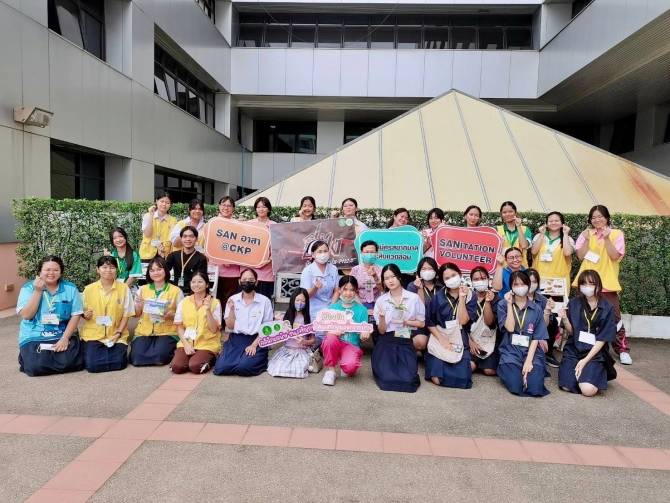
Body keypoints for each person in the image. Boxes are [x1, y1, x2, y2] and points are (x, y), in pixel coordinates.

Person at [574, 205, 631, 365]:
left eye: (600, 216)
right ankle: (584, 347)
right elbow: (580, 256)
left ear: (607, 218)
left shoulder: (616, 233)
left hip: (607, 283)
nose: (597, 220)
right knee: (583, 316)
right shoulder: (586, 234)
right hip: (586, 283)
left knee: (615, 318)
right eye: (593, 217)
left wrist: (606, 238)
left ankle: (622, 350)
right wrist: (586, 239)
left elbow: (614, 256)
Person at [16, 256, 84, 376]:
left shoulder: (70, 288)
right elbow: (26, 315)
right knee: (36, 367)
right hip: (35, 335)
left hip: (61, 334)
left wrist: (65, 338)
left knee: (73, 363)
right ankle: (26, 357)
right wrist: (38, 291)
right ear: (40, 272)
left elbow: (75, 315)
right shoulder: (28, 288)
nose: (51, 273)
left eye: (56, 270)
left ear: (61, 272)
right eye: (47, 270)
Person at [558, 270, 617, 396]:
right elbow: (572, 331)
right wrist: (564, 318)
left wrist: (585, 361)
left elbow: (602, 338)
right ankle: (586, 376)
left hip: (595, 352)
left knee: (587, 390)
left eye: (591, 284)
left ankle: (595, 372)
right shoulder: (574, 303)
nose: (587, 287)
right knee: (566, 386)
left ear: (598, 285)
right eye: (584, 284)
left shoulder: (607, 307)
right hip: (574, 349)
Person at [372, 264, 425, 393]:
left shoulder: (413, 298)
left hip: (404, 335)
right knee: (386, 378)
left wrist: (406, 322)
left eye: (393, 276)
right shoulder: (381, 300)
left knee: (408, 379)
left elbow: (422, 323)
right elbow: (381, 331)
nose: (390, 281)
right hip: (387, 337)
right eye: (386, 278)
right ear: (383, 281)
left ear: (399, 277)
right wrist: (382, 318)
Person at [497, 271, 550, 397]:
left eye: (523, 284)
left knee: (535, 388)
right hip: (510, 351)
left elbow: (536, 337)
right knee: (516, 385)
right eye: (516, 284)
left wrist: (528, 361)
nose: (520, 287)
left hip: (531, 352)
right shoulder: (502, 305)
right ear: (511, 287)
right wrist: (509, 304)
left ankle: (532, 373)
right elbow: (510, 328)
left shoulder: (536, 308)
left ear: (528, 285)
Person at [213, 268, 273, 376]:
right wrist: (232, 310)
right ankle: (237, 360)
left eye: (251, 280)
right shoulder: (233, 299)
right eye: (244, 280)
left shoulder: (265, 301)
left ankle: (259, 360)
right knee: (221, 368)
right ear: (239, 281)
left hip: (257, 339)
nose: (247, 282)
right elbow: (230, 326)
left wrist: (254, 345)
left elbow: (267, 329)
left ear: (256, 282)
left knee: (244, 367)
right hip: (236, 339)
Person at [425, 263, 475, 389]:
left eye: (453, 275)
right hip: (440, 335)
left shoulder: (470, 295)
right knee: (437, 379)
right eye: (447, 278)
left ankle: (466, 365)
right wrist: (441, 339)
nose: (451, 279)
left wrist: (462, 299)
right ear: (443, 281)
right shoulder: (438, 297)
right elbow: (429, 322)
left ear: (460, 274)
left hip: (460, 336)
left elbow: (463, 321)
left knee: (462, 380)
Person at [80, 257, 134, 373]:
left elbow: (127, 314)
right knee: (92, 366)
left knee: (120, 363)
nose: (108, 270)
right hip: (94, 334)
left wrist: (118, 333)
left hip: (116, 333)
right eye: (104, 267)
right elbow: (81, 311)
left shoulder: (124, 288)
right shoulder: (88, 289)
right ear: (97, 269)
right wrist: (84, 315)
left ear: (116, 270)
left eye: (112, 267)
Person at [131, 256, 184, 366]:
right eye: (152, 270)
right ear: (149, 273)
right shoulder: (142, 290)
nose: (156, 273)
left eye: (159, 269)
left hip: (167, 331)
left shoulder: (176, 291)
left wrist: (172, 315)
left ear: (165, 270)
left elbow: (183, 316)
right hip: (144, 330)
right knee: (136, 358)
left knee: (160, 356)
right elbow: (136, 315)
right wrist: (139, 306)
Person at [321, 276, 371, 386]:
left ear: (356, 291)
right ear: (339, 290)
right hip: (335, 342)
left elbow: (363, 333)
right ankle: (331, 371)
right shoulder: (332, 308)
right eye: (345, 289)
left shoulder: (362, 310)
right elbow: (325, 331)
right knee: (330, 338)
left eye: (352, 290)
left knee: (350, 368)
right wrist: (332, 331)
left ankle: (345, 362)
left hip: (351, 344)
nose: (348, 293)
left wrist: (364, 334)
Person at [171, 272, 222, 374]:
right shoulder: (184, 302)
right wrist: (186, 344)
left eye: (200, 282)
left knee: (195, 366)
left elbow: (213, 329)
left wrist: (208, 310)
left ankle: (211, 357)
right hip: (187, 341)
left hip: (206, 344)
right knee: (177, 367)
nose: (196, 284)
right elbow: (179, 327)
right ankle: (190, 358)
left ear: (207, 284)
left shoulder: (215, 302)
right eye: (193, 282)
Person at [267, 288, 315, 379]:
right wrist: (277, 324)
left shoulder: (308, 319)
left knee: (298, 369)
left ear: (306, 303)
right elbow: (275, 334)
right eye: (297, 300)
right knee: (278, 368)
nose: (300, 303)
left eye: (303, 301)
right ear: (293, 300)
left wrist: (304, 341)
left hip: (301, 350)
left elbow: (313, 340)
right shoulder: (286, 317)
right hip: (286, 350)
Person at [204, 196, 241, 306]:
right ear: (219, 206)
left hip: (233, 272)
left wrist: (230, 259)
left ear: (233, 208)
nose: (226, 208)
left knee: (230, 303)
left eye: (229, 205)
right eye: (224, 205)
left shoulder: (238, 224)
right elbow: (208, 245)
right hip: (214, 269)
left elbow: (240, 247)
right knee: (214, 302)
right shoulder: (212, 223)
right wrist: (221, 259)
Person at [530, 211, 574, 290]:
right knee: (539, 298)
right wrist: (542, 234)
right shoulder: (539, 236)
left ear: (562, 223)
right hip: (539, 278)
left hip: (559, 281)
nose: (553, 223)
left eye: (557, 221)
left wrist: (565, 234)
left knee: (556, 299)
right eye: (550, 221)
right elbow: (533, 251)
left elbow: (567, 253)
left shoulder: (568, 239)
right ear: (546, 224)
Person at [468, 266, 499, 376]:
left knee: (489, 371)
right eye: (476, 279)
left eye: (483, 278)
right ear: (471, 282)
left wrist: (487, 301)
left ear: (488, 279)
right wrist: (470, 342)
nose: (480, 281)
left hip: (488, 340)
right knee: (470, 366)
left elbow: (489, 322)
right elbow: (461, 323)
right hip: (470, 339)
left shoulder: (495, 298)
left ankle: (483, 364)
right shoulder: (467, 297)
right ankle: (475, 363)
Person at [299, 240, 340, 323]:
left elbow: (336, 290)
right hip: (313, 309)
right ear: (313, 254)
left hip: (330, 306)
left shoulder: (333, 269)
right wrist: (315, 288)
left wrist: (332, 308)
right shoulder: (308, 271)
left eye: (325, 251)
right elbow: (304, 296)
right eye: (320, 251)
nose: (323, 254)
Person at [526, 268, 559, 368]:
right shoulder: (516, 297)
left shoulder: (543, 300)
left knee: (554, 321)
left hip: (537, 332)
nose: (531, 284)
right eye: (528, 281)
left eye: (534, 282)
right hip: (521, 332)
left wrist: (547, 310)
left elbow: (544, 326)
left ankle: (547, 354)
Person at [406, 257, 440, 351]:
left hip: (436, 323)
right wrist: (420, 289)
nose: (427, 271)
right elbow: (418, 310)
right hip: (419, 324)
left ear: (435, 271)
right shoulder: (412, 286)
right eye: (424, 269)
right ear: (419, 271)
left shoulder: (441, 287)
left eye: (430, 268)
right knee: (420, 342)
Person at [165, 226, 208, 295]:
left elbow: (202, 279)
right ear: (181, 239)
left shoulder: (201, 258)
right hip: (175, 292)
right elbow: (163, 271)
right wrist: (162, 256)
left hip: (192, 293)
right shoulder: (173, 255)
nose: (188, 239)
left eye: (191, 236)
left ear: (196, 239)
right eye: (185, 236)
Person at [249, 196, 276, 299]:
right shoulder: (249, 224)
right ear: (255, 209)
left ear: (268, 209)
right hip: (251, 269)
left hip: (267, 270)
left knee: (265, 299)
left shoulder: (274, 225)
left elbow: (278, 247)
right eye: (258, 207)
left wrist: (269, 259)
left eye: (264, 207)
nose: (261, 209)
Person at [139, 193, 177, 261]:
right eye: (162, 201)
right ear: (156, 201)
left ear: (170, 205)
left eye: (167, 203)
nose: (164, 204)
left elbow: (172, 239)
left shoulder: (173, 220)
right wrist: (151, 216)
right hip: (147, 253)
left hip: (164, 253)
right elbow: (147, 234)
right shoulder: (147, 216)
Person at [497, 201, 532, 268]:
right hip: (502, 268)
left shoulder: (525, 229)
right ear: (501, 214)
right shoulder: (496, 230)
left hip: (521, 268)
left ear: (515, 213)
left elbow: (524, 245)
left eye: (510, 211)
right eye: (504, 212)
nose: (507, 214)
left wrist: (518, 226)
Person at [350, 240, 382, 311]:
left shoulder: (381, 270)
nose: (369, 254)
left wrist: (375, 276)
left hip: (377, 303)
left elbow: (383, 289)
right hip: (359, 303)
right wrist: (362, 308)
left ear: (376, 253)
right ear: (361, 253)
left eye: (372, 252)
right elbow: (351, 290)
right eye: (367, 252)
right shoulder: (355, 270)